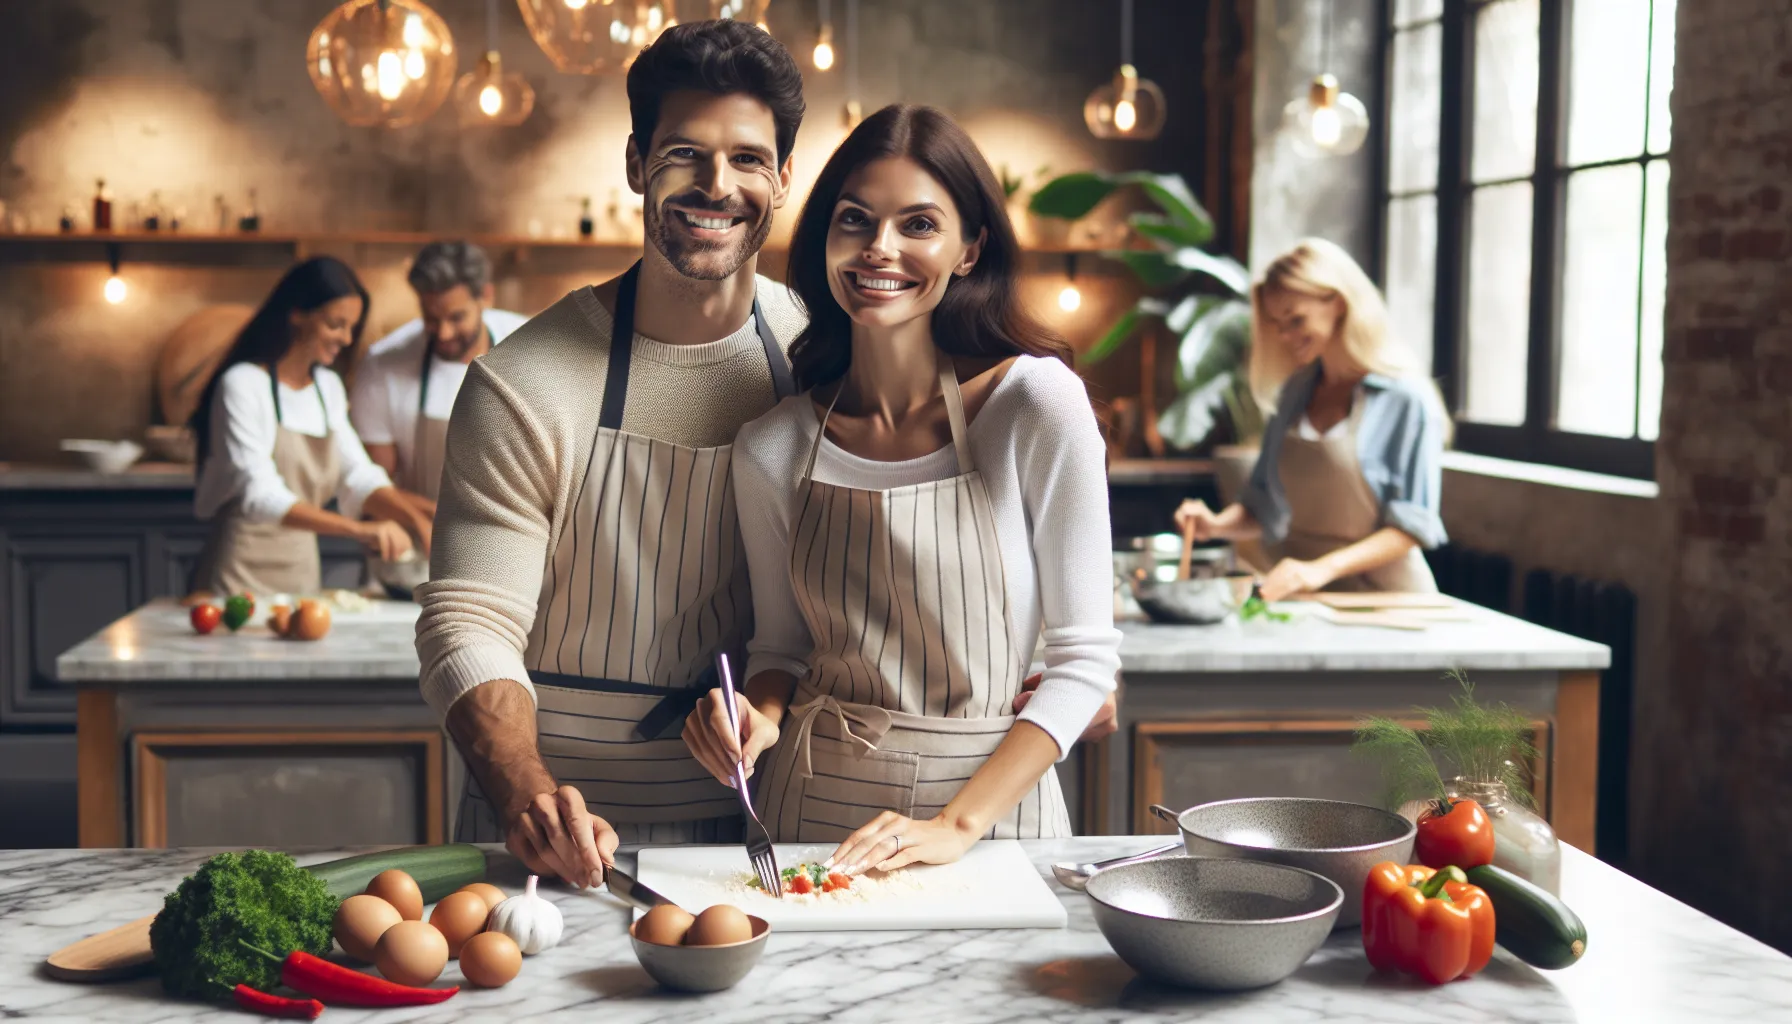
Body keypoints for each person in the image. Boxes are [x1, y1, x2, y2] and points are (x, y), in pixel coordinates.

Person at [413, 20, 810, 888]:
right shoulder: (522, 383)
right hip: (554, 837)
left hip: (767, 827)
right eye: (684, 154)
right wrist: (528, 791)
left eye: (748, 159)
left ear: (784, 178)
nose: (717, 184)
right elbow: (470, 622)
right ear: (636, 164)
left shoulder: (825, 358)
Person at [681, 104, 1122, 874]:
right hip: (810, 816)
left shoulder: (1034, 404)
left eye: (919, 224)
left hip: (991, 821)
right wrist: (759, 716)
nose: (879, 248)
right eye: (855, 220)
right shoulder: (773, 445)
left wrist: (955, 827)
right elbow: (782, 646)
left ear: (968, 250)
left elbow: (1085, 664)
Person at [1174, 238, 1448, 601]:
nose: (1286, 336)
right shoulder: (1294, 393)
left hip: (1387, 602)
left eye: (1295, 319)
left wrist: (1320, 569)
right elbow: (1261, 505)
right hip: (1306, 597)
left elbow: (1412, 529)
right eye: (1277, 324)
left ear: (1337, 303)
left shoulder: (1406, 399)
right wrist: (1215, 524)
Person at [189, 256, 421, 597]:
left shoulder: (328, 388)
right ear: (297, 314)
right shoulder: (243, 385)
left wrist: (417, 522)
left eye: (351, 328)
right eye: (335, 324)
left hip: (300, 573)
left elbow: (358, 475)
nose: (345, 338)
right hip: (237, 575)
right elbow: (260, 495)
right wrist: (360, 530)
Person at [350, 241, 529, 544]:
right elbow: (373, 486)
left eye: (456, 317)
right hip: (417, 555)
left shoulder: (531, 350)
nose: (443, 333)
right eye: (431, 319)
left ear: (486, 296)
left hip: (510, 546)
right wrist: (432, 518)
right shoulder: (384, 365)